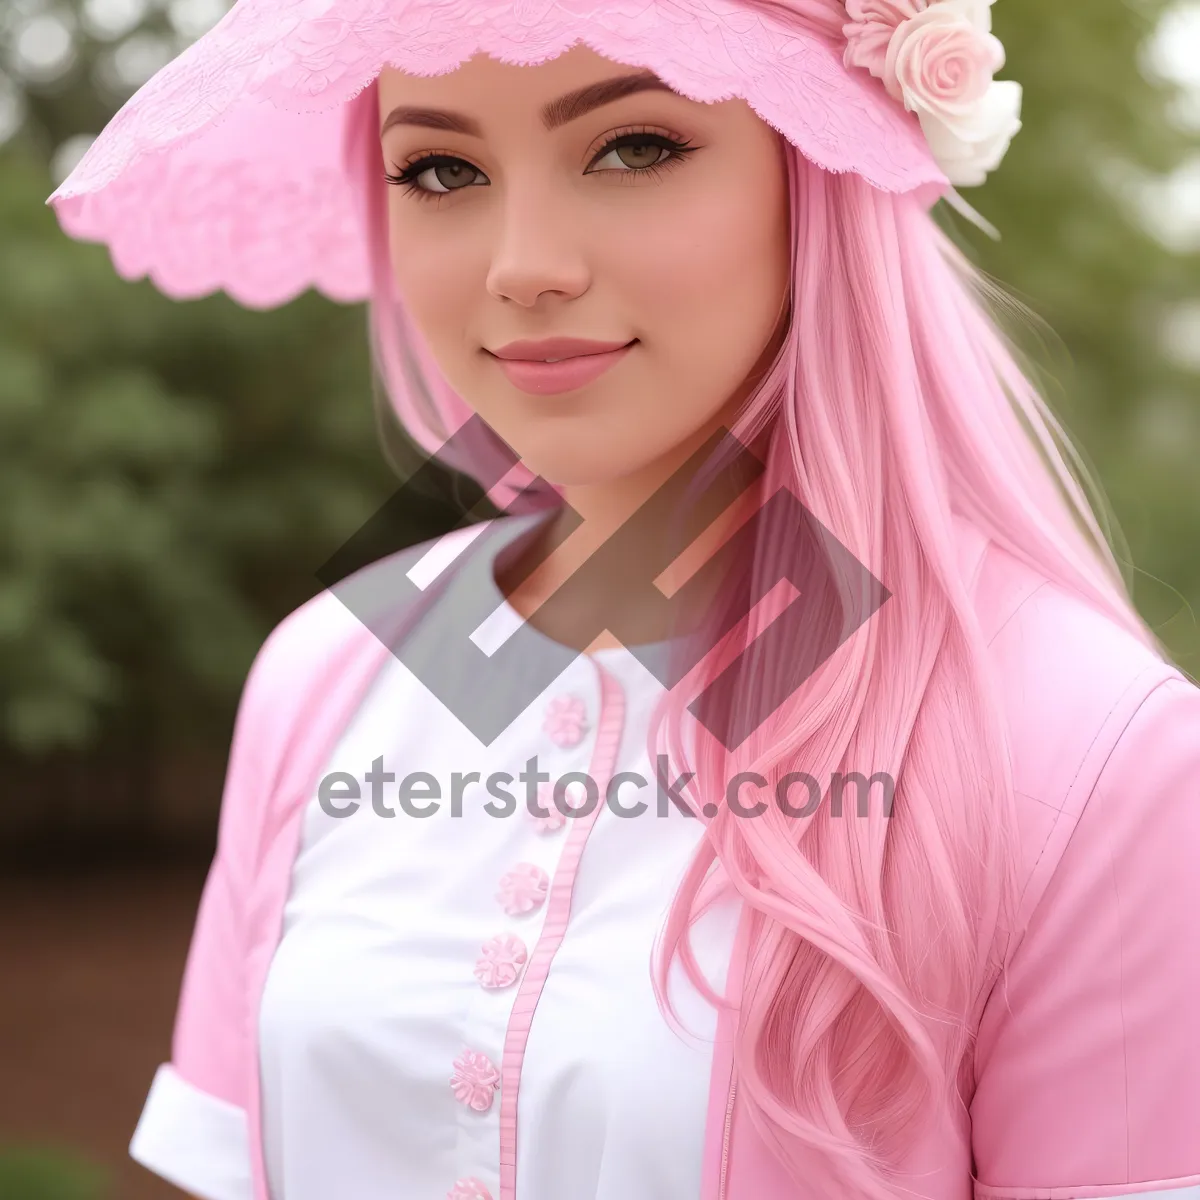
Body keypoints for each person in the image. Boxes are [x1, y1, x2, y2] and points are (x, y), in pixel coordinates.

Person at [47, 3, 1200, 1200]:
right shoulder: (330, 673)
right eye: (440, 168)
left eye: (634, 146)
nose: (522, 263)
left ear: (812, 177)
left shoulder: (1091, 751)